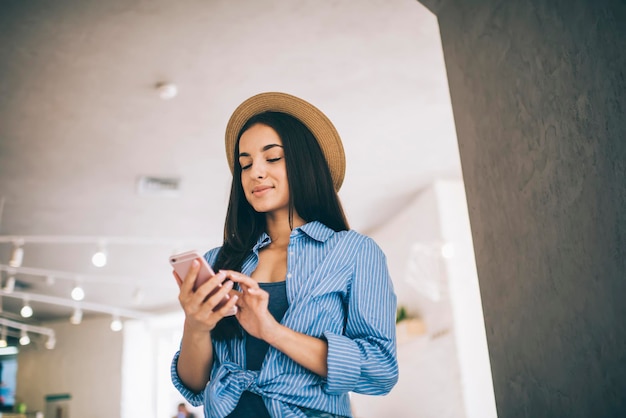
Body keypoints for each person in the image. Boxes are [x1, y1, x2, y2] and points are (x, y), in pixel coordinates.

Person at [171, 92, 399, 418]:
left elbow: (380, 371)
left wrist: (271, 331)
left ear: (304, 163)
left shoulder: (355, 253)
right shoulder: (220, 260)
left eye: (272, 158)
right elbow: (195, 386)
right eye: (245, 164)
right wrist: (195, 325)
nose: (255, 173)